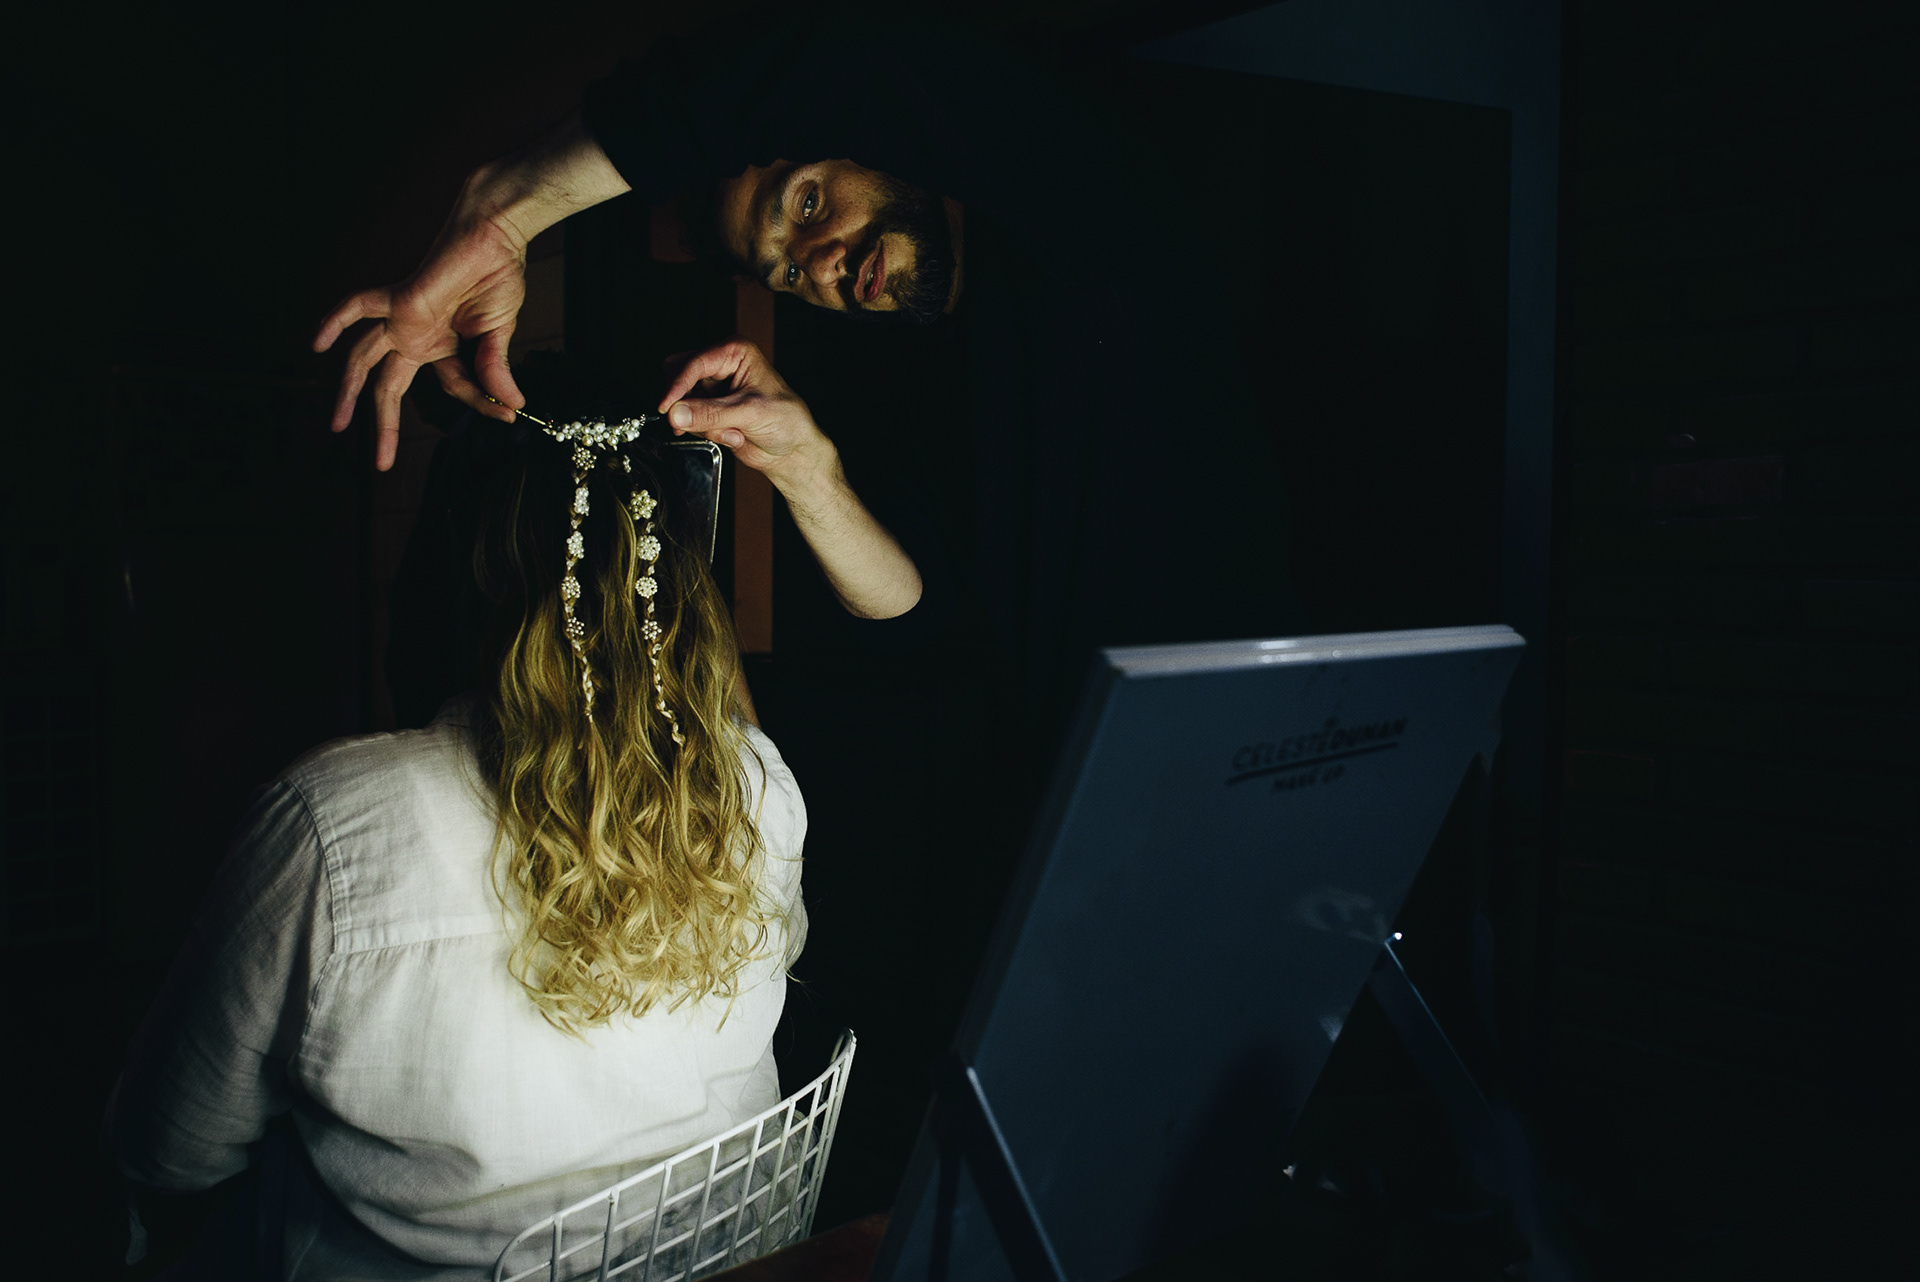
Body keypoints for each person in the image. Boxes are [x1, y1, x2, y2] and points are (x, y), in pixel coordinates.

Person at [314, 6, 1307, 746]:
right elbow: (916, 613)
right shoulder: (915, 379)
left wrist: (506, 213)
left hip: (1273, 707)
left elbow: (826, 66)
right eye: (789, 269)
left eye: (807, 201)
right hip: (1101, 774)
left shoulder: (1064, 184)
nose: (822, 257)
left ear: (876, 140)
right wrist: (810, 471)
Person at [104, 412, 808, 1275]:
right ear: (688, 606)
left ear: (445, 589)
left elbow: (169, 1147)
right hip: (733, 1261)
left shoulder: (332, 823)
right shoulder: (759, 789)